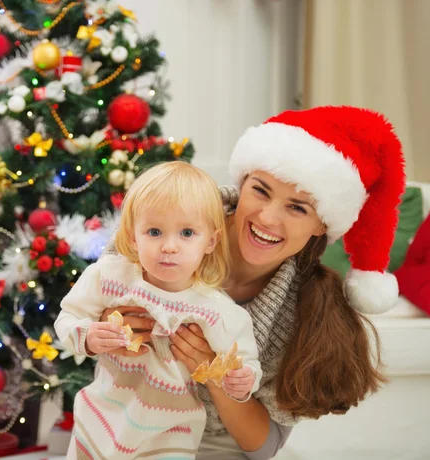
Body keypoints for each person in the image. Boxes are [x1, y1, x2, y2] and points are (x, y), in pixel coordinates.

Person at [99, 106, 406, 459]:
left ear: (321, 225)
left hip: (214, 445)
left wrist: (217, 376)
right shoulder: (169, 217)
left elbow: (265, 447)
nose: (268, 218)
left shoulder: (304, 310)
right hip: (120, 425)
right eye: (261, 191)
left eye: (297, 208)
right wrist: (107, 324)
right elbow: (93, 307)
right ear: (242, 183)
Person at [55, 161, 262, 459]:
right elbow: (68, 318)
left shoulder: (216, 311)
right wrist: (86, 336)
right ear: (131, 237)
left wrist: (242, 381)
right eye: (154, 231)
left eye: (187, 233)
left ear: (211, 241)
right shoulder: (109, 277)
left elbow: (243, 362)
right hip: (100, 416)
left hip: (170, 431)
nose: (169, 246)